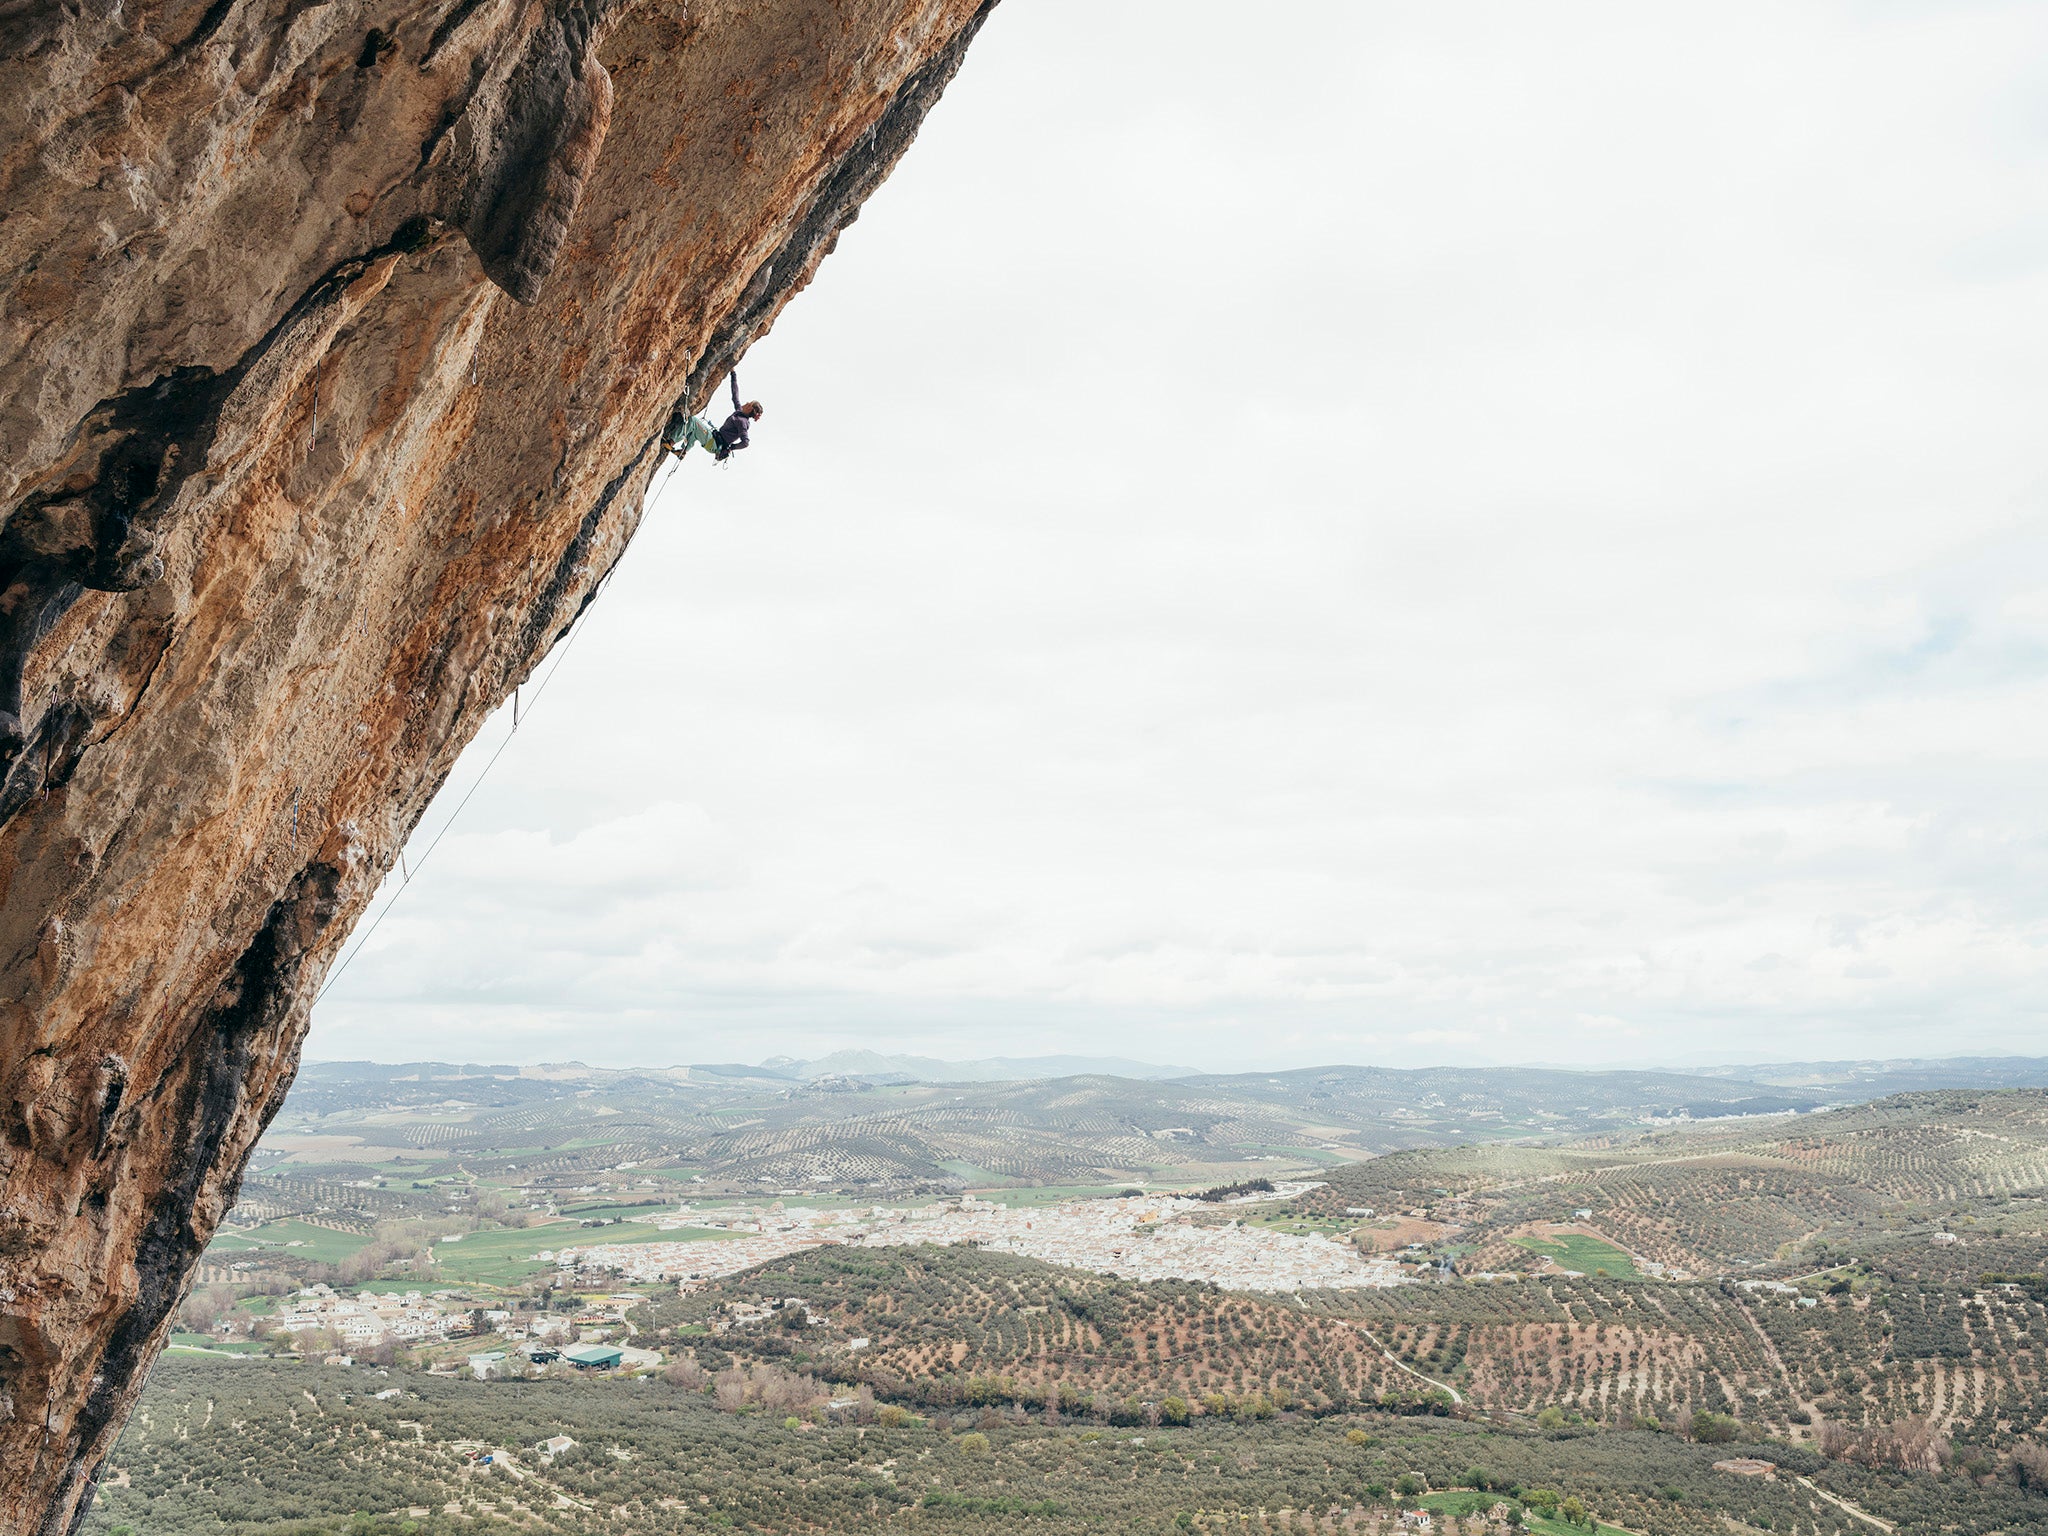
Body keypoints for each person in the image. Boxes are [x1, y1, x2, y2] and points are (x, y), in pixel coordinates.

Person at [664, 377, 763, 462]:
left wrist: (730, 448)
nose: (745, 402)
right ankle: (683, 452)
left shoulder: (743, 422)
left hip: (714, 443)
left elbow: (745, 443)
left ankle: (670, 442)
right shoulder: (739, 412)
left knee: (692, 421)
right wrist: (733, 375)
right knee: (694, 432)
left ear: (750, 408)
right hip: (713, 440)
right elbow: (735, 396)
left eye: (748, 403)